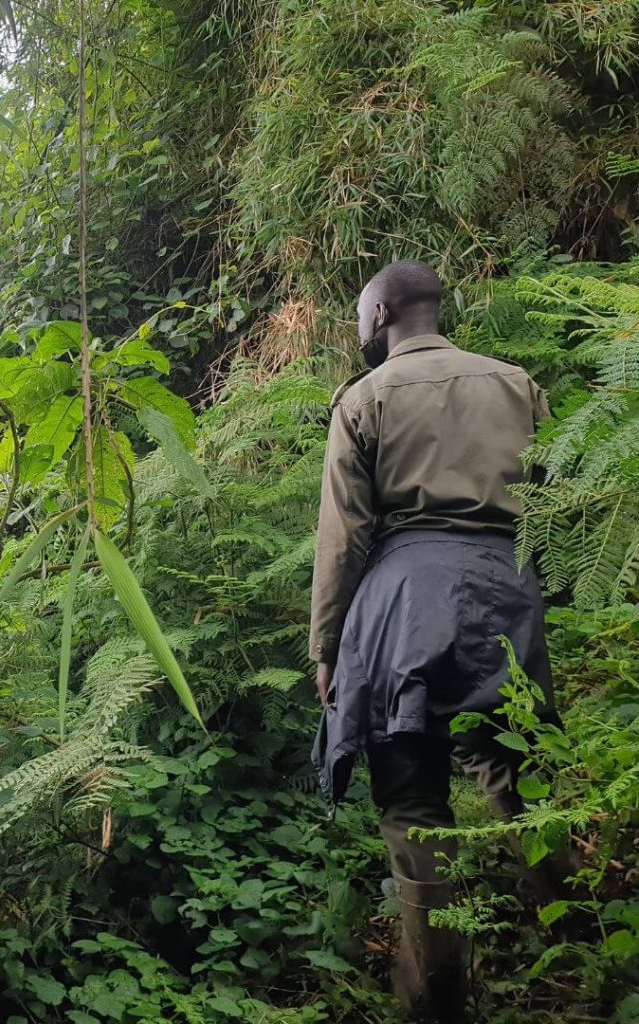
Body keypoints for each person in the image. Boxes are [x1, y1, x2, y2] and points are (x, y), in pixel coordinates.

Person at [308, 261, 557, 1023]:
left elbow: (343, 537)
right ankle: (579, 938)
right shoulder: (519, 386)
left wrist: (327, 646)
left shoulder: (366, 398)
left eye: (359, 315)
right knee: (519, 775)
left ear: (380, 312)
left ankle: (437, 993)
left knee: (412, 796)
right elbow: (556, 503)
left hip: (403, 598)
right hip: (505, 590)